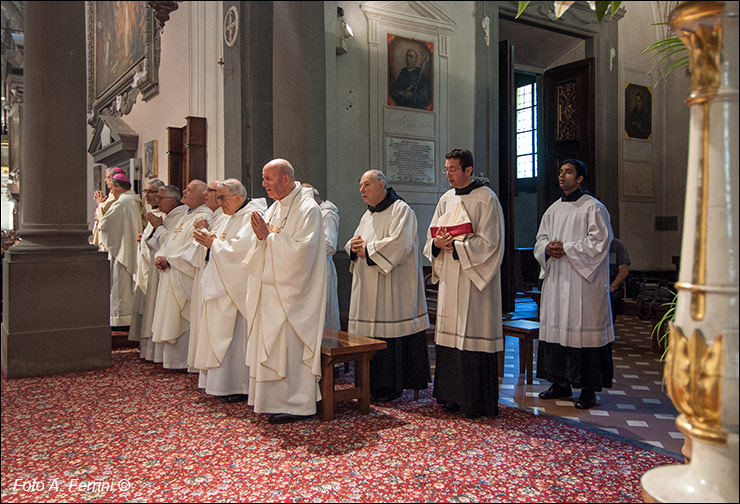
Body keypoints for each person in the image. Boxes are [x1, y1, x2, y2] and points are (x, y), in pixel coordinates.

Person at [243, 159, 327, 424]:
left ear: (286, 179)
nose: (264, 184)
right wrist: (262, 238)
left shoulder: (307, 208)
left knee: (290, 349)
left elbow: (303, 253)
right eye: (264, 178)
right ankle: (274, 400)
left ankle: (298, 404)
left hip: (294, 296)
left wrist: (269, 238)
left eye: (268, 179)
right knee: (274, 347)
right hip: (271, 292)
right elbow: (262, 243)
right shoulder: (275, 208)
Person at [423, 149, 505, 419]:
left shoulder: (486, 198)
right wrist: (437, 244)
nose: (448, 174)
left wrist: (456, 245)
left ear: (469, 170)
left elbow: (491, 243)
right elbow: (431, 235)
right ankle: (451, 396)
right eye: (446, 169)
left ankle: (474, 401)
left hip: (473, 281)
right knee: (448, 335)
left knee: (471, 335)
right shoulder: (446, 199)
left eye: (453, 169)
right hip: (450, 277)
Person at [534, 159, 614, 410]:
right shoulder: (552, 209)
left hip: (582, 284)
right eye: (560, 171)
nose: (562, 176)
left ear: (580, 178)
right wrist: (547, 248)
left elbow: (601, 242)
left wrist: (566, 248)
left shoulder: (593, 208)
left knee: (583, 331)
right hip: (558, 280)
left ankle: (588, 389)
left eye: (568, 172)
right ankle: (560, 383)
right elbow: (540, 239)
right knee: (558, 329)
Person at [346, 170, 430, 403]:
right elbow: (357, 240)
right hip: (368, 287)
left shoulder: (401, 210)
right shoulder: (368, 214)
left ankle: (391, 386)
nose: (361, 190)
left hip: (393, 288)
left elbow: (400, 244)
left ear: (381, 185)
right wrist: (352, 246)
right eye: (360, 185)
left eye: (366, 185)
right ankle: (370, 384)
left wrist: (369, 250)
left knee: (390, 335)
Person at [192, 179, 267, 402]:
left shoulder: (253, 215)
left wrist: (213, 244)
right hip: (222, 284)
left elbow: (240, 252)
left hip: (238, 289)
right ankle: (221, 384)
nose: (219, 201)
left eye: (222, 197)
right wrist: (209, 242)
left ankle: (239, 384)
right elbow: (218, 245)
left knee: (236, 338)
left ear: (237, 197)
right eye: (218, 197)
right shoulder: (228, 216)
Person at [150, 179, 214, 370]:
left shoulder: (204, 217)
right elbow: (169, 241)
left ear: (202, 195)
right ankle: (171, 360)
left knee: (182, 317)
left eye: (189, 190)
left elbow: (193, 247)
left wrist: (171, 260)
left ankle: (182, 360)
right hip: (171, 271)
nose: (184, 192)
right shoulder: (184, 216)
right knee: (169, 316)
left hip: (181, 272)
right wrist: (161, 255)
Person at [139, 185, 188, 362]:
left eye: (161, 198)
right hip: (161, 269)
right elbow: (160, 243)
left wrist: (158, 228)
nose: (157, 201)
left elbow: (170, 244)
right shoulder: (169, 217)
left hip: (172, 271)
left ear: (172, 200)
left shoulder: (181, 217)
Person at [185, 179, 224, 373]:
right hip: (206, 275)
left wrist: (208, 238)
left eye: (211, 190)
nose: (206, 194)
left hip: (222, 282)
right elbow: (196, 252)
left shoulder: (225, 217)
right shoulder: (216, 217)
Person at [97, 172, 145, 329]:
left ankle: (122, 320)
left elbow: (104, 226)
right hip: (128, 246)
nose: (110, 191)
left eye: (111, 187)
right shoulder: (133, 201)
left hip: (122, 250)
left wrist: (99, 211)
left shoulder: (121, 203)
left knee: (121, 284)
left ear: (118, 187)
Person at [129, 178, 165, 342]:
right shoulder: (153, 215)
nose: (147, 195)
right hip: (145, 266)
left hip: (156, 268)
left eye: (151, 191)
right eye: (145, 191)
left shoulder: (164, 216)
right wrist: (143, 238)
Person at [302, 183, 341, 331]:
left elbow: (329, 245)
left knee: (324, 315)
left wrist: (302, 246)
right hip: (310, 267)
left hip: (322, 269)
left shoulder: (327, 214)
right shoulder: (313, 213)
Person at [609, 238, 631, 323]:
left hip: (614, 286)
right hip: (595, 286)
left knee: (612, 298)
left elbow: (624, 271)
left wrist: (613, 286)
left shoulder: (617, 245)